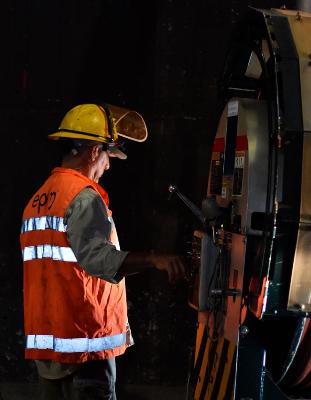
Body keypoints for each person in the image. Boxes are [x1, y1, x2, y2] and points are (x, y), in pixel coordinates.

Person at [19, 103, 184, 400]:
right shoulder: (83, 197)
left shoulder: (39, 199)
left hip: (50, 352)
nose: (108, 166)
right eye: (109, 156)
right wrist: (154, 259)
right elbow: (100, 260)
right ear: (95, 151)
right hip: (85, 346)